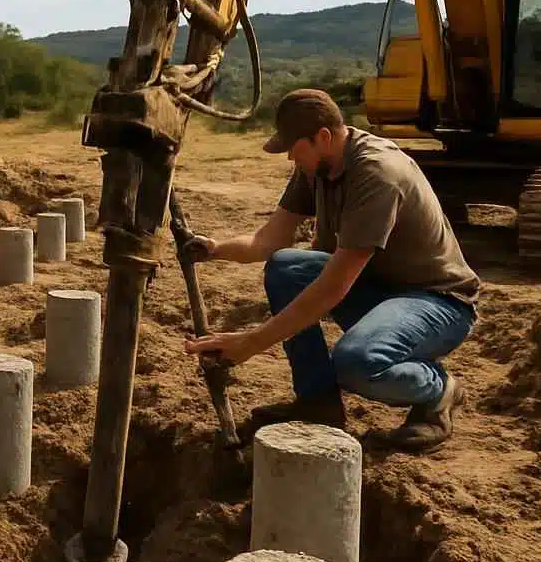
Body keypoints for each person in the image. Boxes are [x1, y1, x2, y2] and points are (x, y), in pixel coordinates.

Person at [181, 88, 480, 452]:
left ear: (323, 137)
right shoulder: (317, 166)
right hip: (379, 288)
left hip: (436, 301)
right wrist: (213, 249)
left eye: (294, 147)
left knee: (356, 362)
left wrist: (250, 343)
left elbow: (333, 286)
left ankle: (438, 390)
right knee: (286, 266)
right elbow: (269, 242)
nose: (290, 156)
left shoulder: (376, 173)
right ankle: (318, 402)